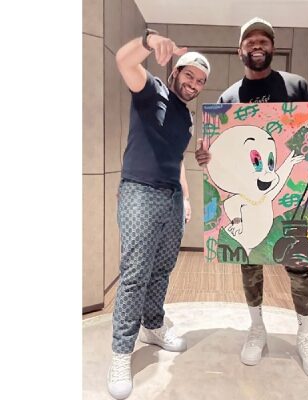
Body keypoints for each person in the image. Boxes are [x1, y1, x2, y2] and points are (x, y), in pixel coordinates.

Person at [195, 17, 308, 380]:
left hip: (291, 192)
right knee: (250, 263)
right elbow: (221, 154)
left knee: (301, 265)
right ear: (240, 50)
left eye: (264, 39)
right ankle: (257, 328)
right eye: (250, 40)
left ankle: (305, 335)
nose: (257, 44)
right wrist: (206, 157)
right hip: (249, 196)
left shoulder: (297, 86)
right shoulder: (229, 98)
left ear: (272, 48)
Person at [108, 28, 210, 399]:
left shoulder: (187, 116)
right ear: (175, 72)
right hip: (139, 190)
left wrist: (186, 198)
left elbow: (178, 159)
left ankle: (152, 326)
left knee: (162, 268)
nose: (193, 84)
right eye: (189, 75)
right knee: (135, 273)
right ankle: (121, 352)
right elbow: (123, 60)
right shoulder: (151, 90)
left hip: (171, 197)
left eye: (200, 81)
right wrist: (149, 42)